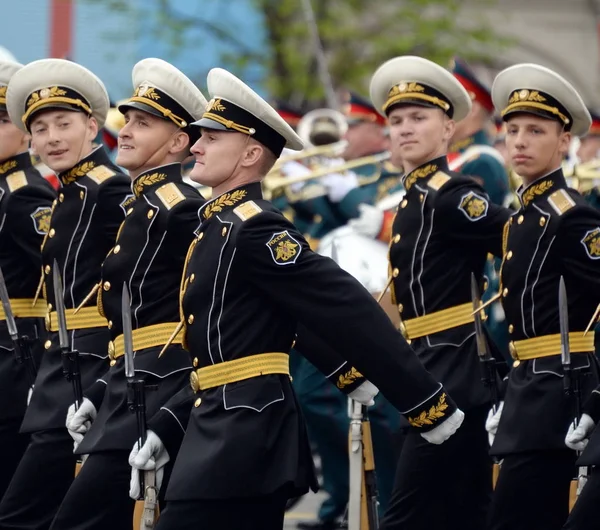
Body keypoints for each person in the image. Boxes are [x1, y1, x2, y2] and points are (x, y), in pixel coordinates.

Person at [128, 67, 465, 530]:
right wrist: (169, 426)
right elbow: (237, 343)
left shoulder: (256, 229)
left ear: (250, 153)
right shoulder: (216, 228)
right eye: (197, 136)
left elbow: (345, 307)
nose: (196, 145)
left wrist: (424, 401)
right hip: (218, 426)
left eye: (210, 137)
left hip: (246, 436)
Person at [47, 58, 208, 530]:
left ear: (179, 142)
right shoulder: (143, 206)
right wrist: (100, 391)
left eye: (143, 124)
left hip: (161, 390)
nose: (127, 131)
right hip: (128, 386)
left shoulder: (182, 210)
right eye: (129, 120)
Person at [366, 56, 510, 530]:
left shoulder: (451, 195)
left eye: (419, 118)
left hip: (455, 375)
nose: (405, 129)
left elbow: (521, 247)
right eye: (397, 120)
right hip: (425, 366)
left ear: (448, 128)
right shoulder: (414, 198)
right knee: (467, 512)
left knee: (405, 514)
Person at [0, 58, 131, 529]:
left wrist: (101, 380)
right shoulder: (69, 193)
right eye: (40, 128)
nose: (52, 137)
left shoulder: (111, 189)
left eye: (63, 124)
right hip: (63, 371)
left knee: (24, 514)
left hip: (93, 374)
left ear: (92, 126)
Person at [485, 63, 600, 530]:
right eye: (512, 130)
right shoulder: (520, 218)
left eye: (536, 130)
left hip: (565, 394)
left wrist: (596, 400)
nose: (520, 141)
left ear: (564, 141)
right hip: (529, 392)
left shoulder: (571, 217)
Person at [0, 59, 55, 499]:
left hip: (14, 351)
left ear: (24, 133)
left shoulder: (25, 193)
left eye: (1, 121)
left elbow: (58, 273)